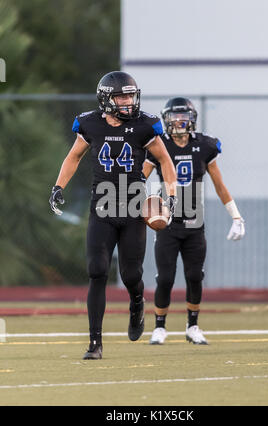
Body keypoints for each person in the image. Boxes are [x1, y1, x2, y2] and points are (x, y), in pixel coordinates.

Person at [49, 71, 177, 359]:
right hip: (102, 209)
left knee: (131, 275)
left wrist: (172, 195)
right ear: (107, 98)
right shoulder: (90, 123)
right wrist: (58, 186)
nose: (129, 101)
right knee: (97, 271)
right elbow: (74, 156)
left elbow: (164, 160)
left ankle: (136, 303)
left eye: (131, 95)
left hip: (133, 210)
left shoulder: (145, 125)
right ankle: (95, 343)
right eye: (122, 96)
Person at [142, 97, 245, 345]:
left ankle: (193, 326)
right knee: (165, 278)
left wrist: (236, 216)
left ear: (192, 120)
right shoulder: (159, 145)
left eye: (183, 118)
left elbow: (220, 185)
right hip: (168, 223)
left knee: (195, 276)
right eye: (174, 118)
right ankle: (160, 327)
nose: (179, 123)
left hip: (195, 223)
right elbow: (139, 177)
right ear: (166, 121)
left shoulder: (205, 146)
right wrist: (139, 203)